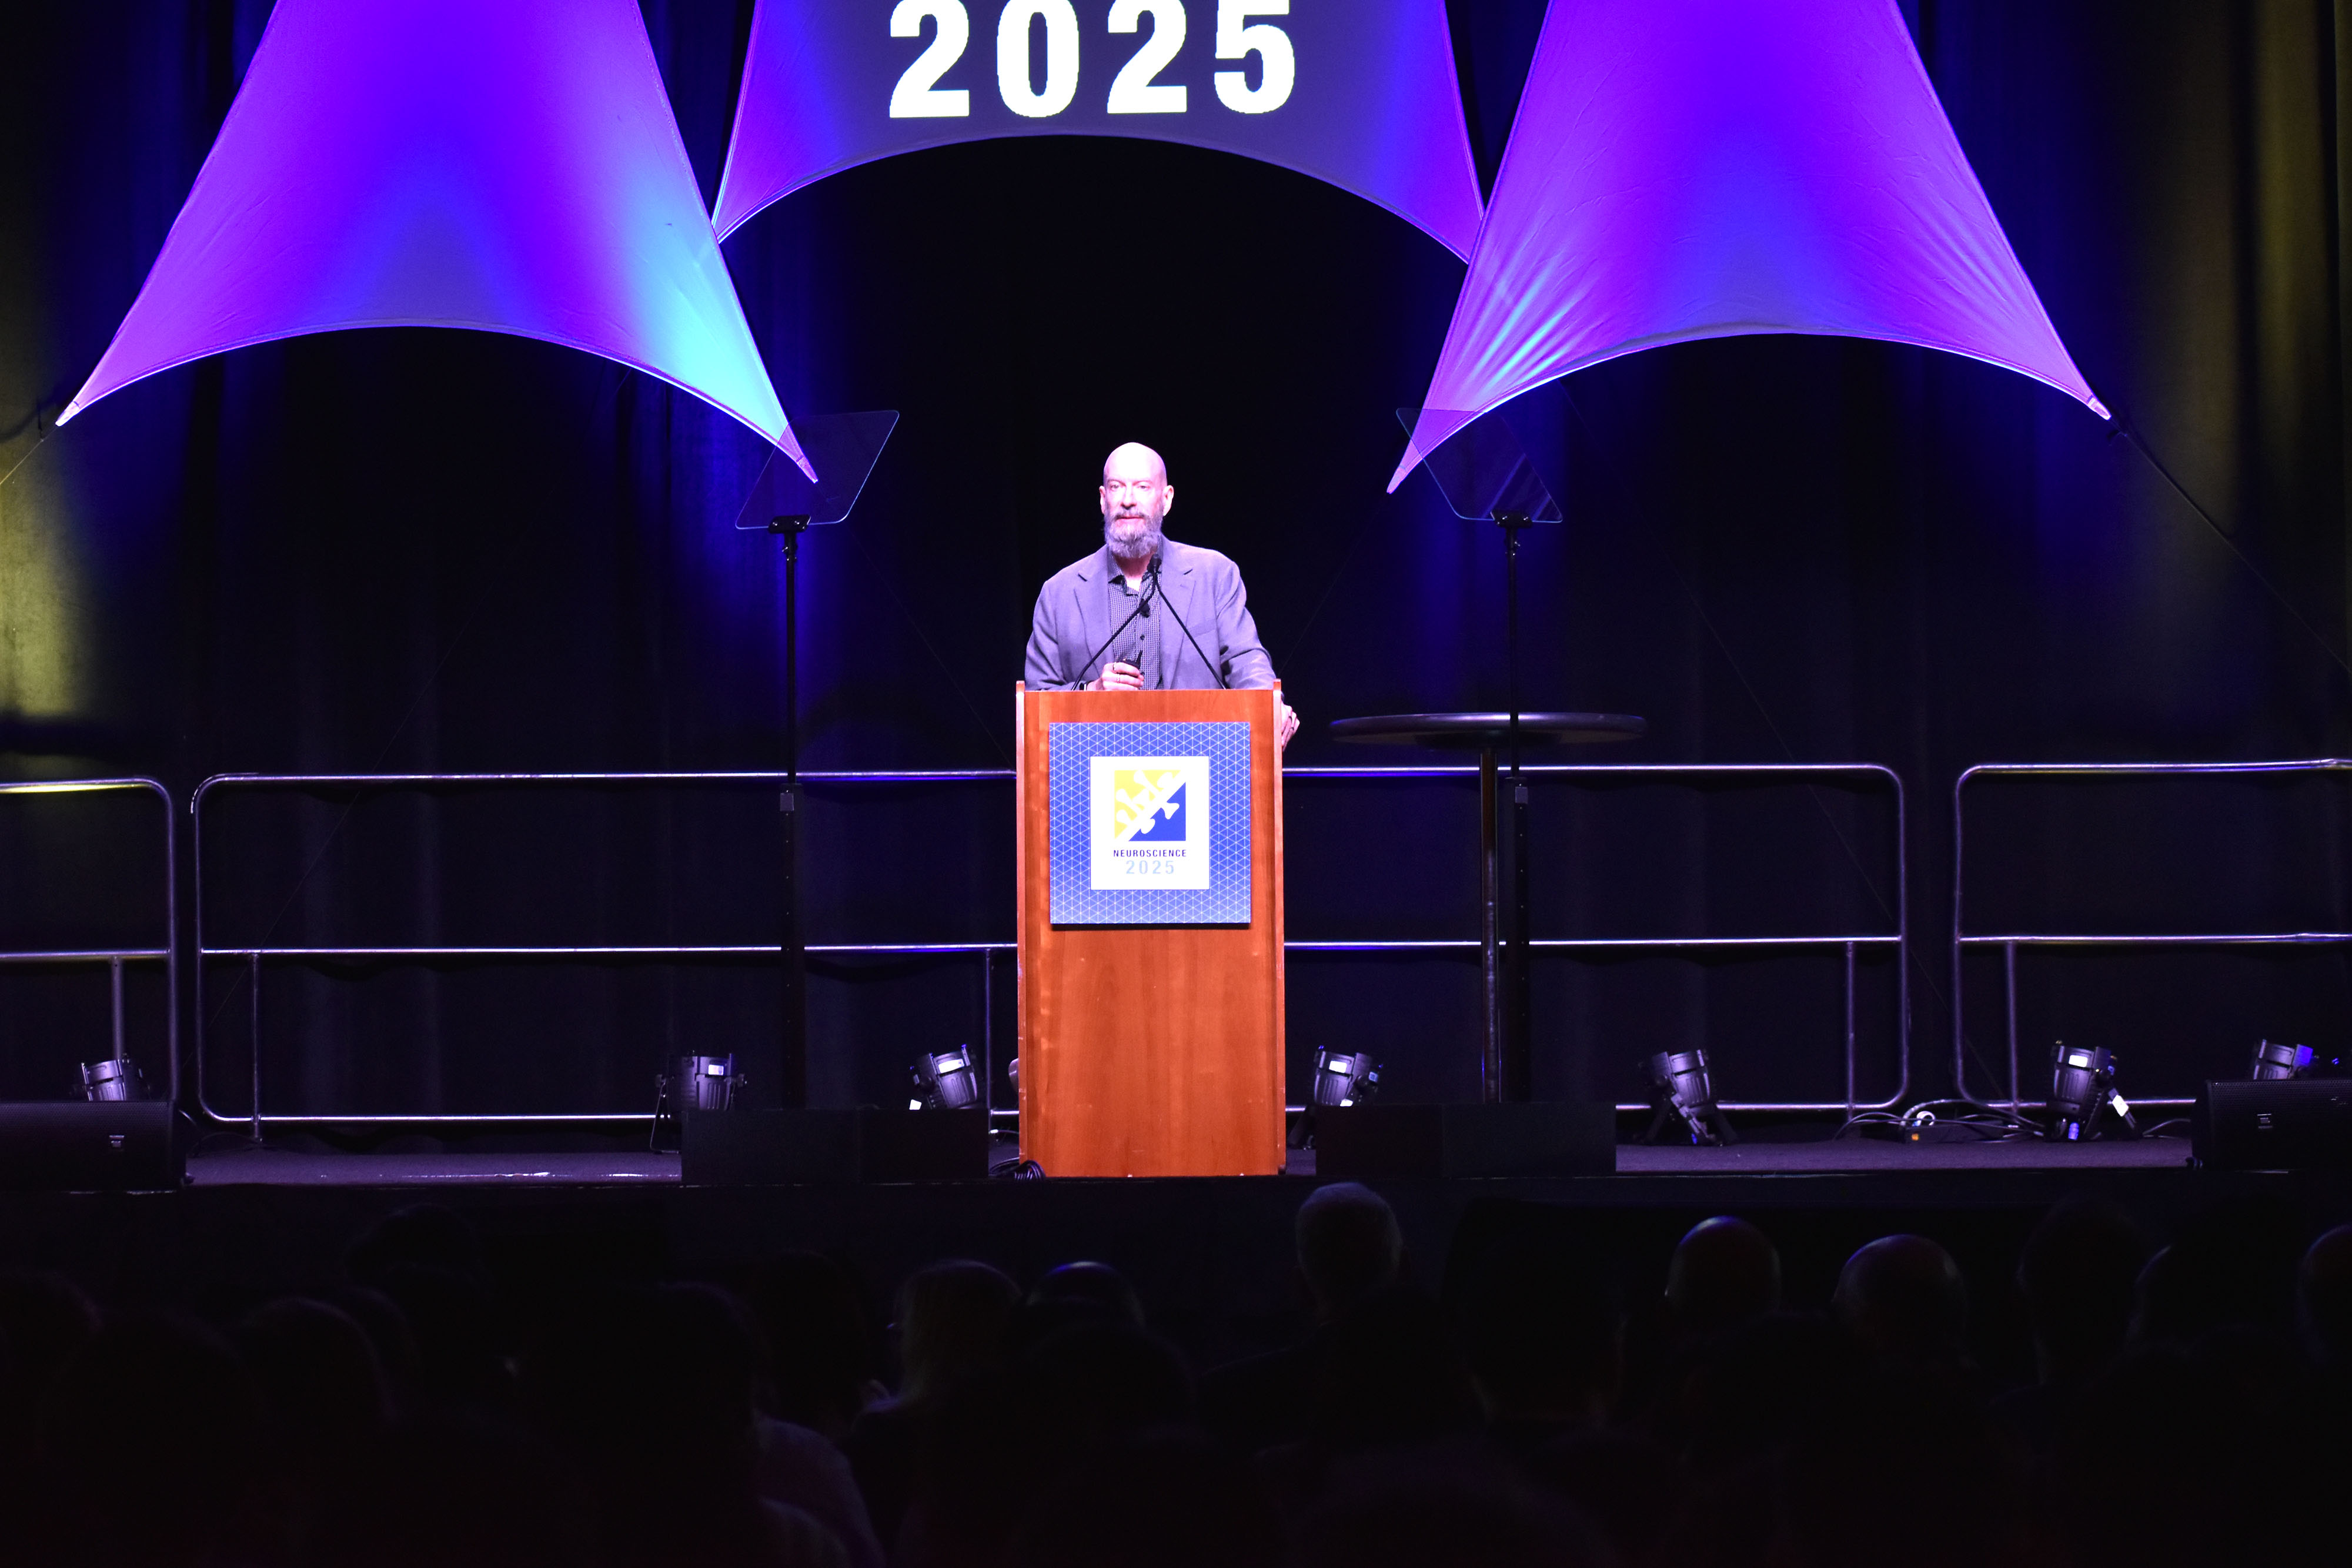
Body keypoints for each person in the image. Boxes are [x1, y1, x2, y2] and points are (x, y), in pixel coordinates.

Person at [1023, 442, 1301, 750]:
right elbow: (1036, 702)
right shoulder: (1059, 593)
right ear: (1103, 500)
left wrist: (1269, 706)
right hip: (1094, 773)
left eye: (1142, 487)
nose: (1128, 500)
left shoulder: (1214, 575)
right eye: (1116, 487)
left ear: (1166, 499)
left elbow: (1246, 660)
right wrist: (1092, 692)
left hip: (1197, 766)